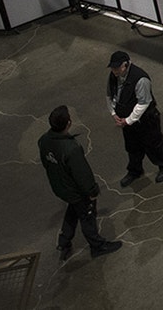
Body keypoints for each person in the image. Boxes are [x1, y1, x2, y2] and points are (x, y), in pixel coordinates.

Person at [38, 105, 122, 261]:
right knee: (87, 215)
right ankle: (97, 246)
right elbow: (82, 174)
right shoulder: (71, 148)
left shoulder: (44, 140)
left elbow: (45, 162)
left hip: (61, 188)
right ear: (68, 123)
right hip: (76, 191)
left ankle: (64, 242)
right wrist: (92, 191)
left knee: (73, 210)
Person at [106, 51, 163, 187]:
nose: (114, 71)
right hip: (127, 121)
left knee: (153, 144)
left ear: (125, 65)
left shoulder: (140, 79)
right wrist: (114, 113)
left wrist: (128, 120)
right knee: (132, 147)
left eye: (117, 68)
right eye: (113, 68)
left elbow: (143, 103)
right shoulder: (114, 76)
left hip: (146, 121)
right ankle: (135, 171)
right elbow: (110, 94)